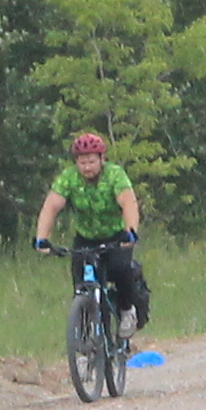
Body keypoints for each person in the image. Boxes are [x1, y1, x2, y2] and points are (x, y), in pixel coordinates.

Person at [30, 129, 149, 341]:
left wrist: (130, 232)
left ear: (102, 159)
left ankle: (126, 310)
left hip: (116, 236)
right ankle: (85, 337)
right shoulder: (69, 178)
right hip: (86, 238)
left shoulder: (114, 175)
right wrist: (42, 238)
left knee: (121, 270)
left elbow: (128, 203)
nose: (86, 167)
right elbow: (51, 206)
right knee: (81, 284)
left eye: (91, 162)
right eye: (82, 162)